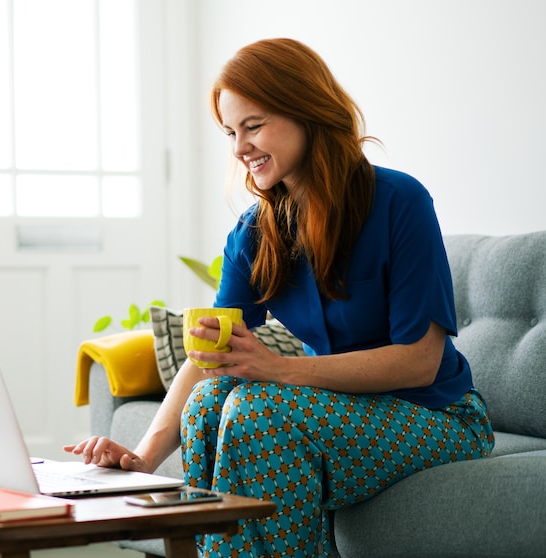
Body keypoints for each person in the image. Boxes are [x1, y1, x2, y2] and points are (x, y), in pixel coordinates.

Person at [63, 38, 494, 557]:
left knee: (257, 411)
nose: (239, 148)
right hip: (333, 409)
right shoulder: (257, 230)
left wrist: (278, 369)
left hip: (437, 415)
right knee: (208, 404)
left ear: (307, 112)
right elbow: (209, 359)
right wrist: (143, 457)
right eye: (230, 132)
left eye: (253, 125)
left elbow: (419, 362)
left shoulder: (400, 202)